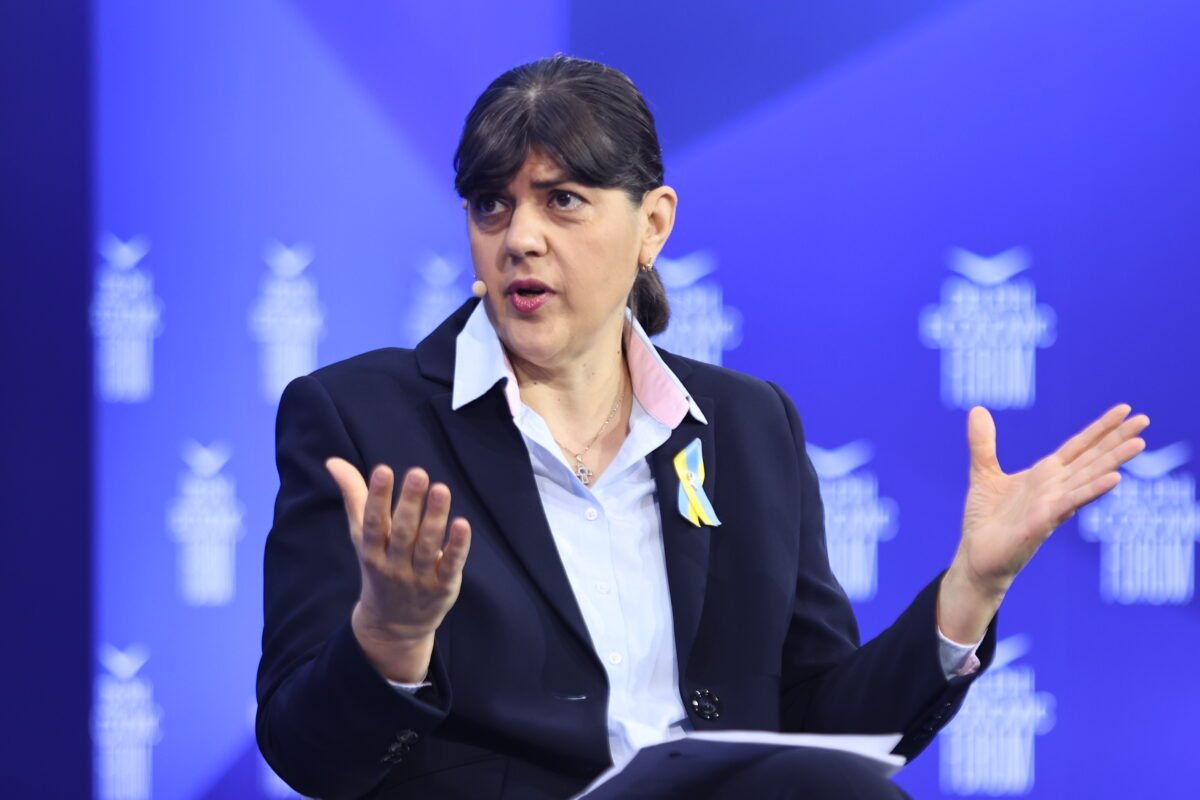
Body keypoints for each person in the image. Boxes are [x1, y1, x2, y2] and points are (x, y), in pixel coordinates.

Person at [255, 55, 1148, 800]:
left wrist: (971, 589)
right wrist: (391, 637)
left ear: (653, 224)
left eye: (562, 200)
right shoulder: (359, 419)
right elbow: (308, 756)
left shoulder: (750, 425)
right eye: (492, 204)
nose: (519, 237)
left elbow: (820, 735)